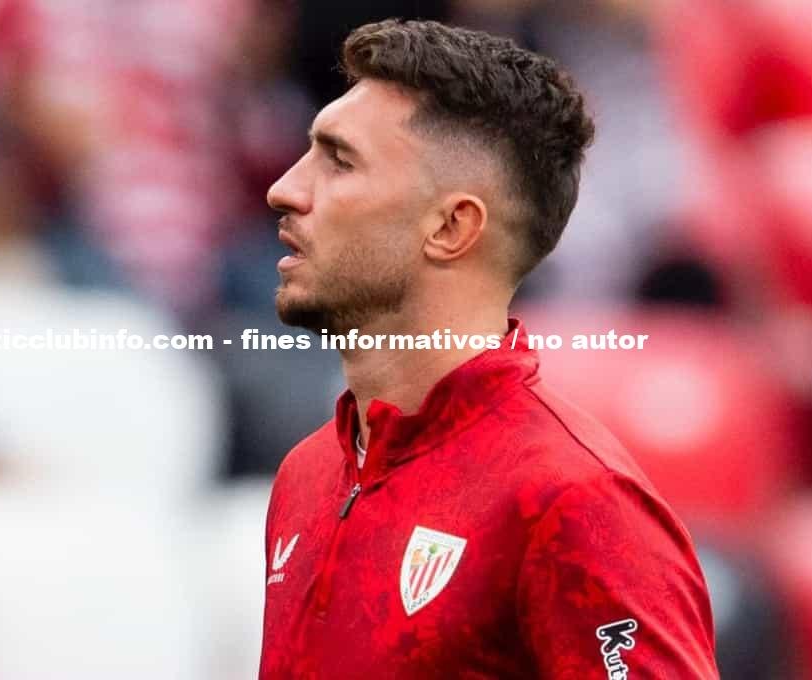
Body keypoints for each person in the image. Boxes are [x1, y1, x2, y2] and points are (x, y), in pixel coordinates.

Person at [258, 19, 718, 678]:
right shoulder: (307, 473)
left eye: (339, 160)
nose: (284, 189)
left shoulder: (574, 502)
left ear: (451, 227)